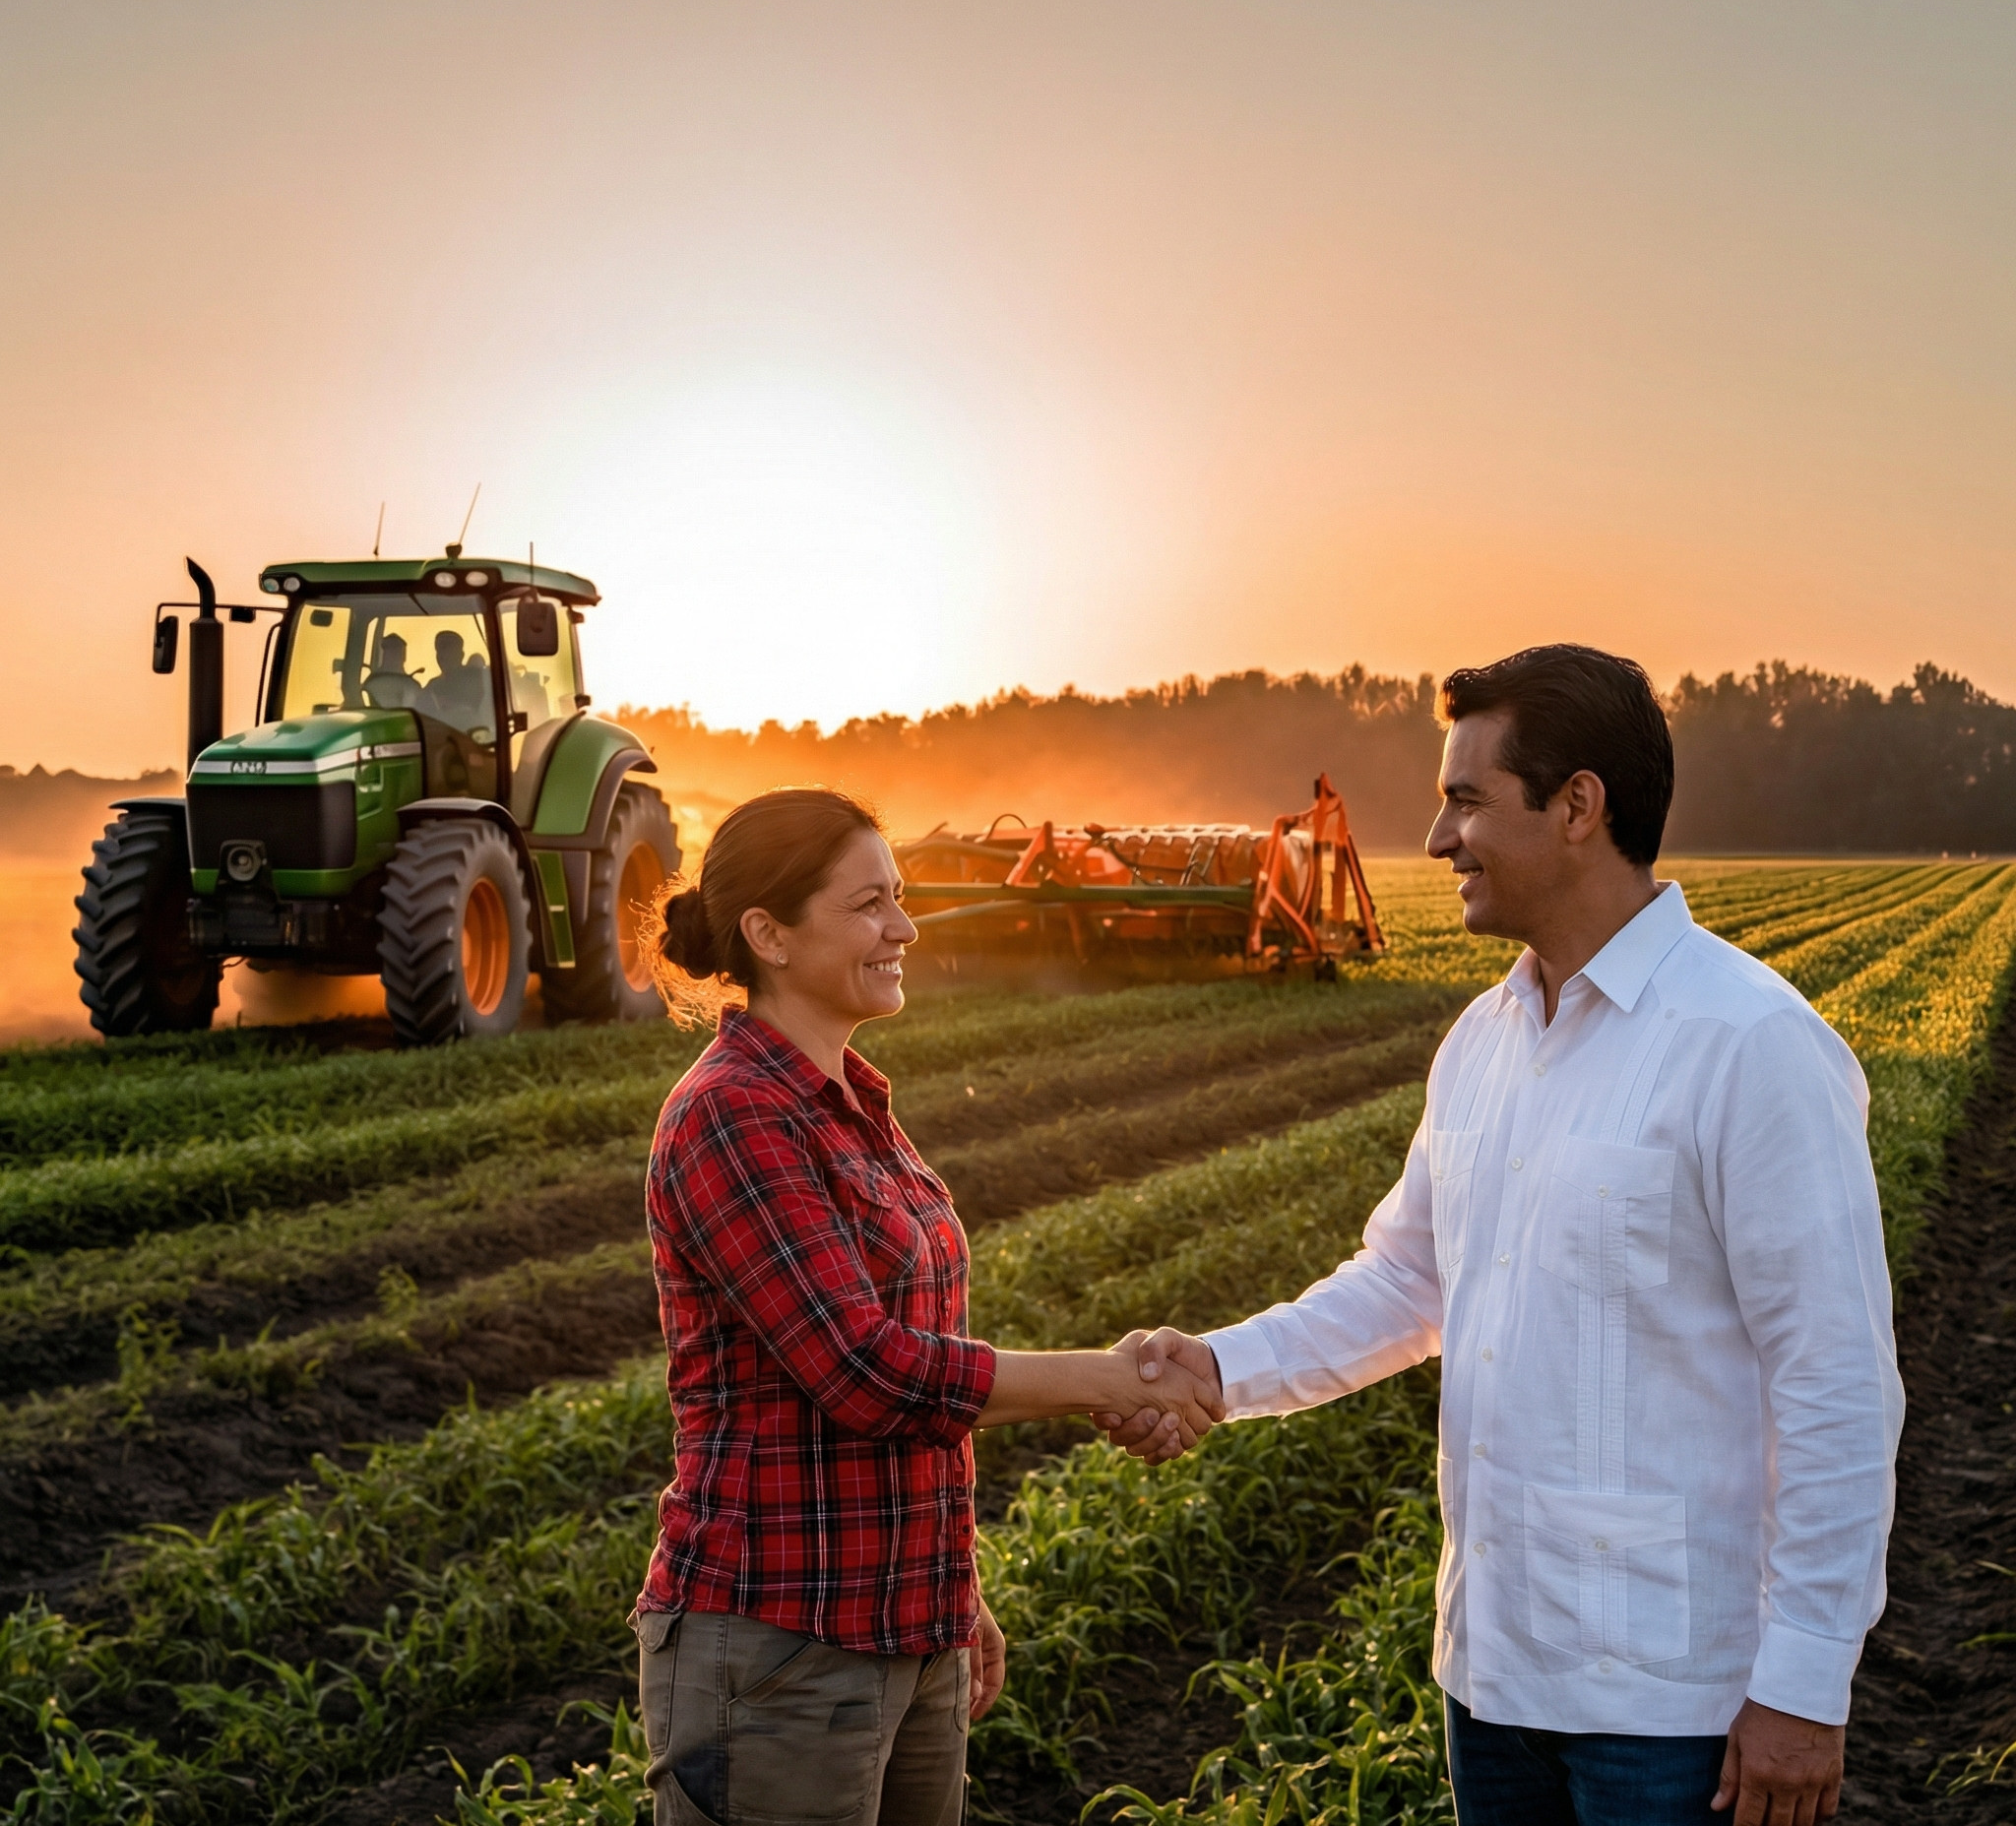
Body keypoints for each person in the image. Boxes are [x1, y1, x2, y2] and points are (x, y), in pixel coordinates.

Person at [1099, 645, 1902, 1826]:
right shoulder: (1479, 1039)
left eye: (1465, 799)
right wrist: (1219, 1367)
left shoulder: (1751, 1044)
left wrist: (1802, 1679)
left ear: (1577, 805)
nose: (1434, 839)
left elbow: (1835, 1385)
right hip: (1490, 1679)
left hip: (1676, 1707)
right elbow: (1407, 1280)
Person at [635, 787, 1217, 1826]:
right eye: (868, 904)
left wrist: (955, 1593)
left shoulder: (854, 1102)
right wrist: (1108, 1377)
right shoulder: (731, 1113)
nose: (902, 926)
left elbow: (918, 1372)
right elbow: (868, 1370)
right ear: (768, 932)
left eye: (897, 898)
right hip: (779, 1642)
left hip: (907, 1625)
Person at [421, 630, 490, 729]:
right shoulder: (433, 685)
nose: (442, 656)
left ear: (461, 654)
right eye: (438, 650)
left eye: (447, 649)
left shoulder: (476, 679)